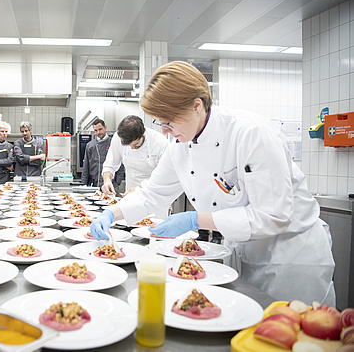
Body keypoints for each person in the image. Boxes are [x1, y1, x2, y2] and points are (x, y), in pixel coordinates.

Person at [90, 61, 336, 305]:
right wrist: (111, 213)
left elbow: (274, 215)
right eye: (160, 122)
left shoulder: (250, 133)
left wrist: (196, 219)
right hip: (243, 252)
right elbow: (152, 193)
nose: (164, 131)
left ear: (196, 106)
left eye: (169, 121)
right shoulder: (180, 146)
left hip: (291, 257)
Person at [101, 115, 168, 196]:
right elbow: (110, 165)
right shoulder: (118, 137)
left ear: (143, 132)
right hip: (130, 195)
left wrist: (139, 189)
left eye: (136, 144)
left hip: (154, 195)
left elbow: (164, 179)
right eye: (129, 145)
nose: (132, 148)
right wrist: (107, 180)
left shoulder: (159, 142)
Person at [80, 118, 124, 188]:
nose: (98, 132)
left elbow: (120, 164)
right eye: (95, 130)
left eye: (100, 129)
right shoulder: (90, 145)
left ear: (105, 127)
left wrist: (117, 182)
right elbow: (86, 166)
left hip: (110, 184)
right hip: (94, 184)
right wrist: (83, 184)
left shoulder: (113, 142)